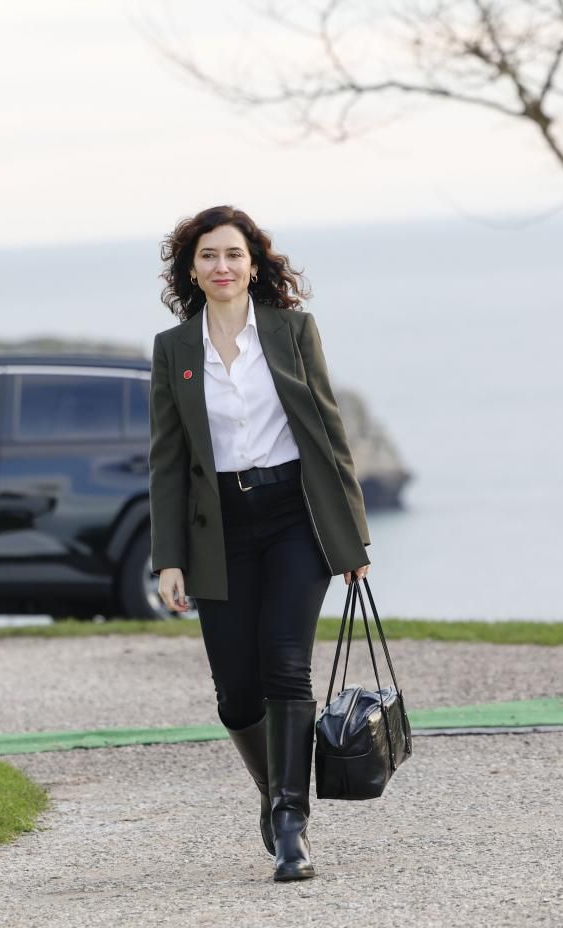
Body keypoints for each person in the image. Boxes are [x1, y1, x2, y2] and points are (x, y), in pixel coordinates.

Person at [148, 205, 372, 883]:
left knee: (285, 668)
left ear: (254, 265)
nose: (223, 267)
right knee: (237, 695)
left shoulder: (293, 331)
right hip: (219, 531)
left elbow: (330, 435)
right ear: (192, 268)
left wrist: (352, 538)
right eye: (209, 256)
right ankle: (274, 788)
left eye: (234, 255)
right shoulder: (173, 350)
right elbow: (166, 460)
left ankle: (288, 820)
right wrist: (169, 559)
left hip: (293, 518)